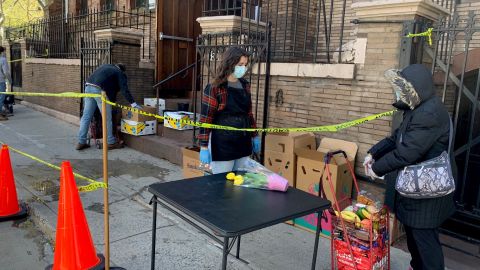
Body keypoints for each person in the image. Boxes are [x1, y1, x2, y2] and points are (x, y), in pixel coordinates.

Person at [364, 64, 455, 270]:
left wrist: (377, 169)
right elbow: (396, 138)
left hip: (428, 193)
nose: (399, 94)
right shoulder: (418, 109)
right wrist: (373, 152)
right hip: (418, 189)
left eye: (403, 90)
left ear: (417, 89)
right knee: (415, 237)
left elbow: (406, 152)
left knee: (425, 241)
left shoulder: (428, 114)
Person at [197, 47, 260, 174]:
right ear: (230, 63)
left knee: (240, 180)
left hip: (243, 140)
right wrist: (203, 146)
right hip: (222, 144)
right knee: (220, 184)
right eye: (240, 64)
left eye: (245, 65)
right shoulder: (215, 88)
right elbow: (206, 118)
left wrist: (254, 135)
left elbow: (249, 114)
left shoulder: (245, 85)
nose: (243, 68)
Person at [76, 63, 141, 150]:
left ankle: (81, 142)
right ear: (122, 70)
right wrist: (134, 104)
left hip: (88, 86)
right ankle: (111, 142)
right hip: (99, 90)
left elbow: (110, 88)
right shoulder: (119, 72)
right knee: (107, 118)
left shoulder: (107, 67)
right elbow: (124, 89)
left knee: (86, 116)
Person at [0, 46, 12, 121]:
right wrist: (10, 81)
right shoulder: (3, 60)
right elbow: (6, 72)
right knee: (1, 97)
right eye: (4, 51)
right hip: (1, 81)